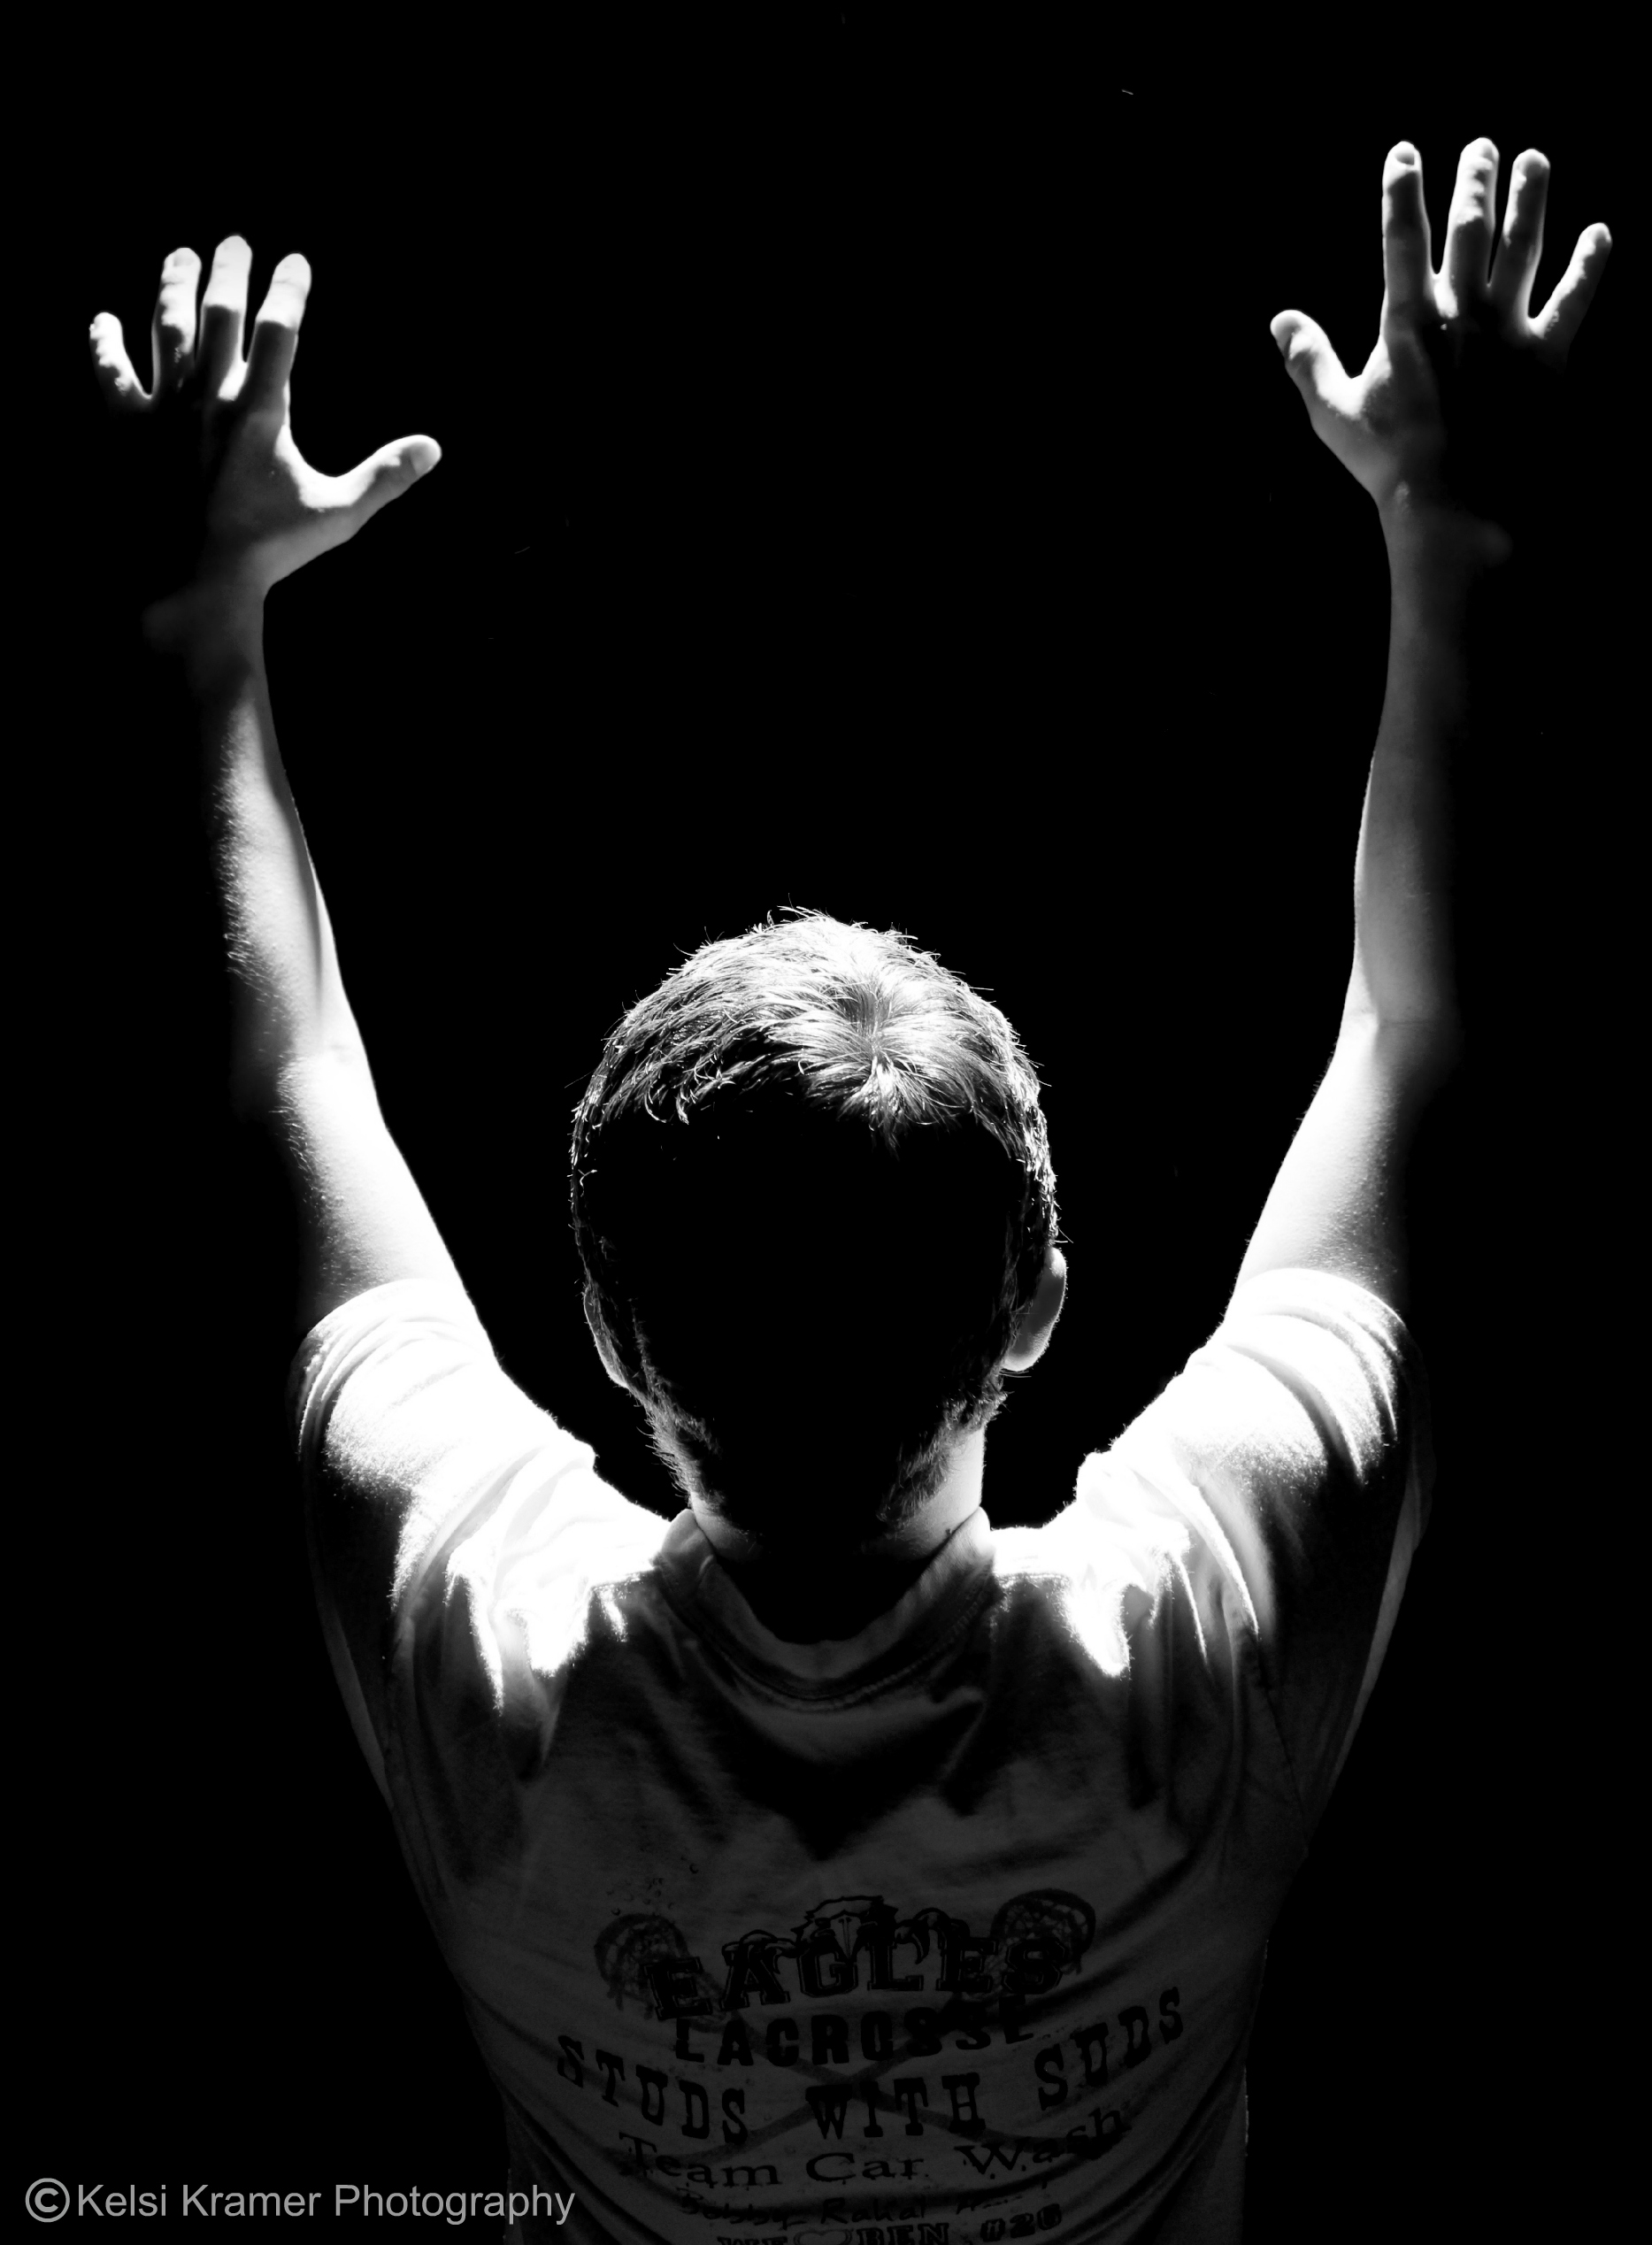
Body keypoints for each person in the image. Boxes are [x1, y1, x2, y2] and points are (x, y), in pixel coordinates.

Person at [86, 132, 1610, 2243]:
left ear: (609, 1330)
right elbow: (1419, 1042)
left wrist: (191, 616)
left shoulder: (496, 1679)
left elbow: (278, 1069)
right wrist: (1459, 530)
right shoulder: (1194, 1664)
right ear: (1038, 1295)